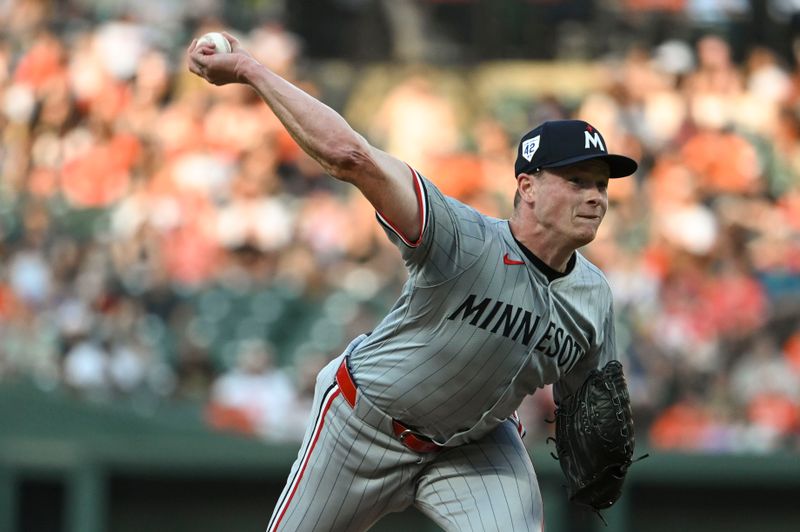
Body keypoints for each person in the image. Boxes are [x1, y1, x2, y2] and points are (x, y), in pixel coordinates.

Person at [188, 32, 638, 532]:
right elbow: (350, 157)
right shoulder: (464, 239)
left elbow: (587, 405)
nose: (596, 196)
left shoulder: (593, 297)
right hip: (363, 426)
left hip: (476, 449)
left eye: (601, 184)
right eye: (577, 181)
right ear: (527, 188)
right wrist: (251, 70)